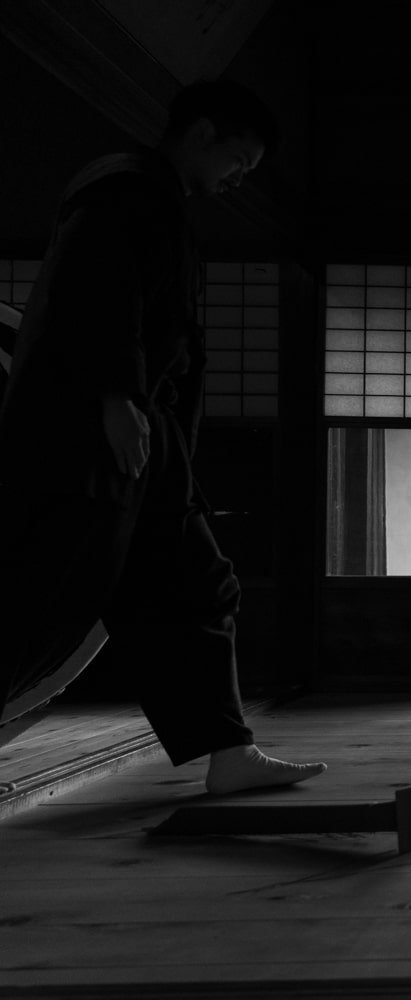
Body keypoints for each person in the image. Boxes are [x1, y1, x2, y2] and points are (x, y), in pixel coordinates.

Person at [0, 79, 326, 794]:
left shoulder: (154, 199)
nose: (241, 176)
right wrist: (115, 396)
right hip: (98, 434)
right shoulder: (123, 191)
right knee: (42, 594)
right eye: (239, 156)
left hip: (148, 440)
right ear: (202, 132)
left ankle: (228, 752)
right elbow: (92, 292)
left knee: (200, 585)